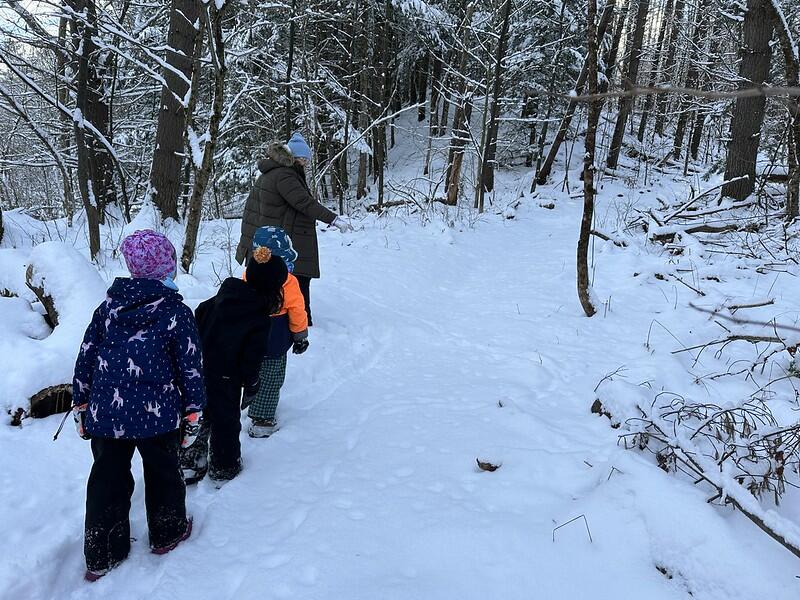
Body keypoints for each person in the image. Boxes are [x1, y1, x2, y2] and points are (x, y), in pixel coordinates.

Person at [71, 230, 205, 582]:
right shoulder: (176, 312)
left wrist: (81, 402)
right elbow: (190, 366)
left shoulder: (107, 309)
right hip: (157, 417)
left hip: (106, 415)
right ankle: (167, 532)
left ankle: (101, 552)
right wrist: (193, 410)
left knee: (106, 479)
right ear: (167, 269)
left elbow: (85, 357)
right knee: (164, 473)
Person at [180, 248, 288, 484]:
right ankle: (224, 466)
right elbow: (252, 359)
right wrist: (251, 384)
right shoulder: (259, 318)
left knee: (199, 414)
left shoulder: (218, 299)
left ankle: (189, 461)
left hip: (198, 371)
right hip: (227, 379)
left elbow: (198, 321)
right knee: (225, 421)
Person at [236, 133, 353, 325]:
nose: (306, 164)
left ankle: (281, 315)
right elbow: (304, 203)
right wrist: (333, 219)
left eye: (307, 160)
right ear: (293, 159)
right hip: (284, 237)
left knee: (276, 280)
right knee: (297, 278)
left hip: (274, 236)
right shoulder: (285, 175)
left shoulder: (273, 172)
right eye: (303, 159)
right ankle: (301, 321)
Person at [245, 226, 309, 438]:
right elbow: (298, 311)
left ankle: (250, 400)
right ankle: (262, 420)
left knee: (252, 372)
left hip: (250, 336)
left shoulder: (249, 276)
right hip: (276, 338)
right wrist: (300, 336)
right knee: (272, 377)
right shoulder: (289, 282)